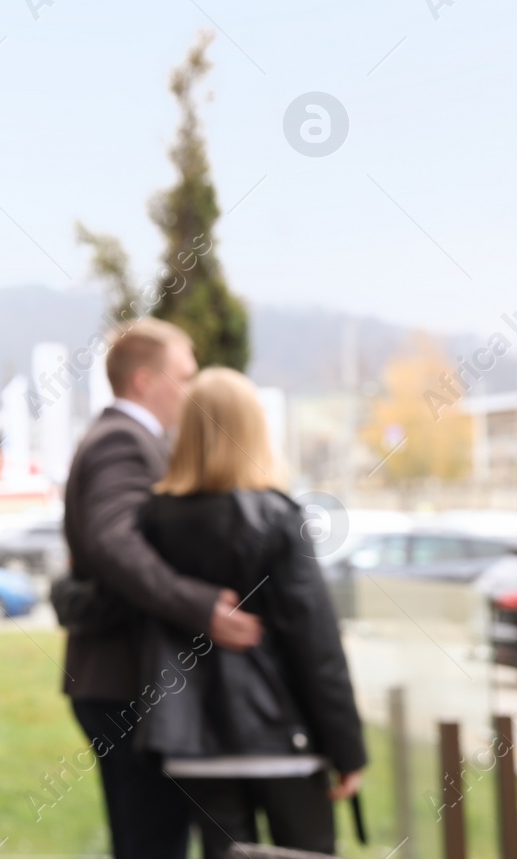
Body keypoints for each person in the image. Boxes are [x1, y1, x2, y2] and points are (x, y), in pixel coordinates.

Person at [57, 318, 265, 859]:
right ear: (146, 381)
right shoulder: (123, 440)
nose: (193, 390)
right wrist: (201, 608)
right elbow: (114, 544)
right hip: (122, 682)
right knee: (151, 841)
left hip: (122, 679)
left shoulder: (127, 438)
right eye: (185, 376)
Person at [137, 367, 366, 859]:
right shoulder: (278, 518)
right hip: (283, 739)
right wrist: (348, 749)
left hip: (194, 743)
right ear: (252, 429)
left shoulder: (153, 519)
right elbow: (315, 642)